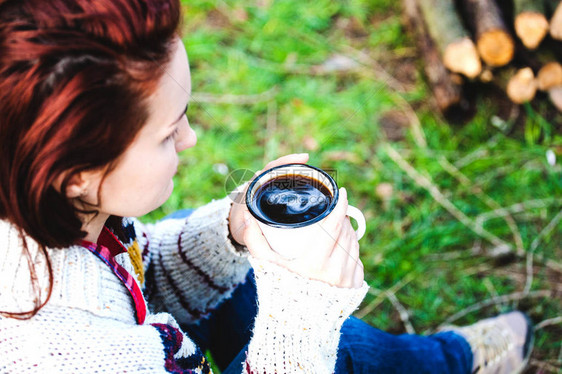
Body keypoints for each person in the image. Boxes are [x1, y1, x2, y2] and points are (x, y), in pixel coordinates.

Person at [0, 0, 533, 373]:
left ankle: (433, 362)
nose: (190, 139)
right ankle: (447, 364)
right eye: (167, 133)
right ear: (77, 175)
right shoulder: (65, 354)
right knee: (323, 342)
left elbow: (140, 275)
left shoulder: (49, 200)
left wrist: (231, 230)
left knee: (243, 272)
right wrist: (303, 320)